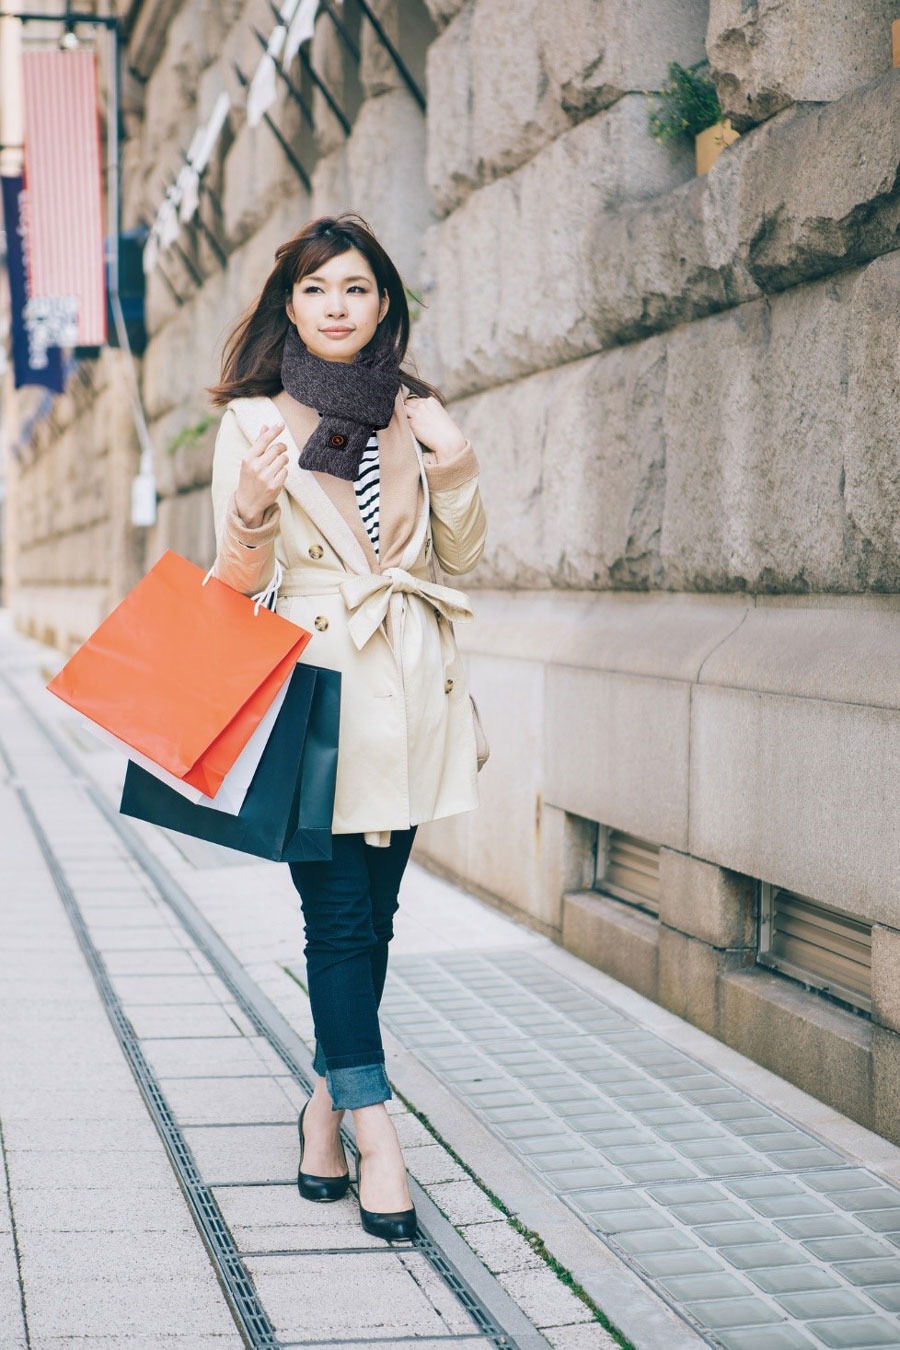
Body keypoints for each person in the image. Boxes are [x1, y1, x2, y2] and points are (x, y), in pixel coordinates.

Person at [205, 212, 488, 1241]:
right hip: (317, 705)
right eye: (318, 289)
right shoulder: (254, 422)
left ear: (383, 306)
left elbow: (460, 560)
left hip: (409, 699)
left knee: (377, 921)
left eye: (357, 289)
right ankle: (379, 1137)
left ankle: (321, 1112)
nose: (337, 307)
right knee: (338, 921)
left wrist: (453, 463)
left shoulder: (414, 414)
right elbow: (236, 588)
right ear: (291, 304)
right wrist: (246, 504)